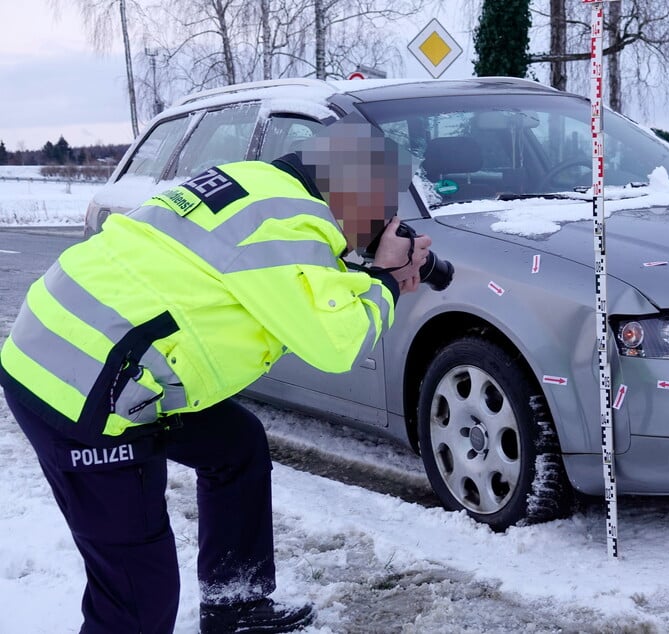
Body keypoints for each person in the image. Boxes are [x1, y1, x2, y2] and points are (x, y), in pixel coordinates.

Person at [0, 118, 431, 634]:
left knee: (235, 446)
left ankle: (237, 606)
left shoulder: (259, 185)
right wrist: (384, 280)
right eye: (379, 210)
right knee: (139, 595)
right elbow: (336, 343)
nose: (378, 225)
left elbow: (294, 275)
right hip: (81, 388)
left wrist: (363, 270)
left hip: (73, 343)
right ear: (350, 192)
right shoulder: (290, 223)